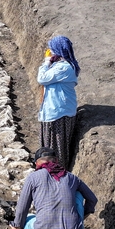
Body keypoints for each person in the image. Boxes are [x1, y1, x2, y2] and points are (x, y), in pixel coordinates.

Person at [10, 148, 98, 229]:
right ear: (56, 161)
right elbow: (92, 199)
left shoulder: (33, 178)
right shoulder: (71, 177)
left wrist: (17, 227)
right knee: (78, 194)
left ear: (36, 163)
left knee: (28, 218)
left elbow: (22, 208)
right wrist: (82, 217)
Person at [38, 35, 81, 169]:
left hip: (58, 113)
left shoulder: (64, 68)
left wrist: (46, 62)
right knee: (49, 145)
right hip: (53, 110)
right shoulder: (60, 65)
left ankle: (56, 173)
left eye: (52, 49)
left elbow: (42, 78)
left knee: (56, 147)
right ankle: (47, 171)